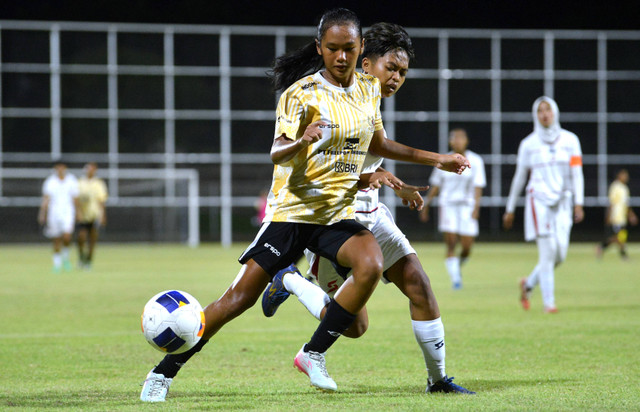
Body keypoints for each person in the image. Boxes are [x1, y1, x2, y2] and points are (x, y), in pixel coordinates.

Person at [140, 9, 468, 402]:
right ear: (320, 48)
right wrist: (303, 140)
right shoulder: (301, 94)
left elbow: (376, 146)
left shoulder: (367, 90)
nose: (341, 56)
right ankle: (163, 372)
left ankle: (313, 353)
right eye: (333, 49)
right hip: (293, 213)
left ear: (360, 47)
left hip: (337, 214)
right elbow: (278, 151)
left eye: (349, 48)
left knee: (371, 264)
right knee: (236, 301)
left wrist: (436, 160)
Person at [260, 22, 474, 394]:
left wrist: (399, 183)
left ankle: (437, 380)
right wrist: (435, 161)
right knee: (355, 326)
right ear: (364, 63)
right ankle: (289, 279)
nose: (396, 78)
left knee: (420, 285)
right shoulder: (334, 100)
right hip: (334, 221)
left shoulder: (367, 99)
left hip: (372, 215)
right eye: (390, 68)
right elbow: (328, 165)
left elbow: (375, 153)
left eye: (403, 73)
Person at [503, 96, 584, 313]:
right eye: (540, 110)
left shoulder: (570, 140)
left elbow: (577, 173)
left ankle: (528, 283)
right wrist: (510, 207)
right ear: (535, 115)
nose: (545, 114)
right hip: (538, 201)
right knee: (548, 253)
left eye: (548, 109)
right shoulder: (529, 144)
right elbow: (519, 177)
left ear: (555, 112)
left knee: (560, 255)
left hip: (563, 202)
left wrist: (579, 202)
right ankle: (549, 303)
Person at [420, 128, 486, 289]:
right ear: (450, 141)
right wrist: (426, 205)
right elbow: (436, 185)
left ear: (467, 141)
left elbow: (478, 186)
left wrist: (476, 207)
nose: (457, 141)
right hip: (448, 205)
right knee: (450, 244)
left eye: (461, 138)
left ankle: (456, 268)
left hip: (467, 206)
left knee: (466, 247)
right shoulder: (444, 160)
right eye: (454, 138)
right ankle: (456, 280)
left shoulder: (476, 161)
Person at [38, 161, 80, 273]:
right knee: (56, 239)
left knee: (67, 237)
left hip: (68, 212)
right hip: (54, 212)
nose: (60, 169)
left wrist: (78, 212)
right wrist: (42, 213)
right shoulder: (50, 182)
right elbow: (46, 199)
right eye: (58, 167)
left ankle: (66, 259)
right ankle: (57, 264)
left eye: (62, 167)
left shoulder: (71, 180)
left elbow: (75, 198)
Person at [596, 169, 638, 259]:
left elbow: (626, 204)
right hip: (616, 217)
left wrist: (631, 215)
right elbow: (611, 203)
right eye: (624, 175)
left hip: (622, 218)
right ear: (619, 175)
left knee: (620, 237)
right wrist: (608, 216)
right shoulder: (615, 187)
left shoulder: (625, 188)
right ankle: (623, 255)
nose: (626, 177)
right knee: (618, 238)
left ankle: (602, 247)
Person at [76, 162, 108, 270]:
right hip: (83, 215)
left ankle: (89, 260)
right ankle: (81, 257)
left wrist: (103, 215)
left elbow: (101, 200)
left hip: (94, 215)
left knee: (92, 239)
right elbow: (76, 199)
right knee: (81, 237)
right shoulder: (80, 182)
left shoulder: (98, 183)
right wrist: (78, 212)